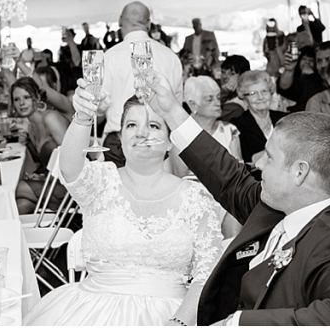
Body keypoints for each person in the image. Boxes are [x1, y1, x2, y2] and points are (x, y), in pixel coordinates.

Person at [143, 71, 330, 325]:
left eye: (269, 156)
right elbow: (228, 178)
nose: (258, 163)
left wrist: (237, 324)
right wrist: (171, 111)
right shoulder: (282, 205)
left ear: (299, 172)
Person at [23, 84, 223, 326]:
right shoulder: (100, 183)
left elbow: (208, 274)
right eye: (131, 125)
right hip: (92, 315)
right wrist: (83, 116)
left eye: (153, 125)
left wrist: (179, 323)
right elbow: (69, 168)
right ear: (121, 137)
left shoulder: (195, 197)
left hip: (174, 316)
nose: (141, 133)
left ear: (171, 141)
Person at [98, 1, 184, 167]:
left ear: (120, 21)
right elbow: (176, 107)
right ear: (149, 24)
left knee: (117, 185)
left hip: (119, 140)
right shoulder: (170, 57)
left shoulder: (110, 56)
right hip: (158, 139)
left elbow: (100, 104)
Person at [11, 77, 70, 214]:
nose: (21, 103)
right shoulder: (31, 128)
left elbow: (73, 157)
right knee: (21, 206)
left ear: (37, 98)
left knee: (13, 187)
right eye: (17, 99)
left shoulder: (50, 118)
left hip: (71, 189)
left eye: (26, 97)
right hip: (52, 185)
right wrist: (41, 176)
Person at [168, 76, 241, 177]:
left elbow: (239, 173)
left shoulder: (230, 130)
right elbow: (180, 176)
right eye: (209, 99)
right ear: (193, 104)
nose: (217, 103)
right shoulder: (181, 134)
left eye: (218, 97)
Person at [230, 71, 287, 171]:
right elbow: (248, 162)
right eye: (253, 93)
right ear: (244, 98)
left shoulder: (285, 119)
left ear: (271, 92)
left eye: (264, 91)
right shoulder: (238, 125)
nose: (260, 97)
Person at [276, 45, 324, 113]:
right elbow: (283, 88)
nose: (307, 62)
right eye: (304, 59)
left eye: (311, 60)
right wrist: (289, 70)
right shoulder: (293, 78)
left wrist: (311, 76)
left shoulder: (319, 81)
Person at [219, 55, 250, 122]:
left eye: (232, 74)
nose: (225, 77)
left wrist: (223, 93)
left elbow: (209, 117)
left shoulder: (237, 104)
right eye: (223, 72)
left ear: (242, 77)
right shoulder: (225, 93)